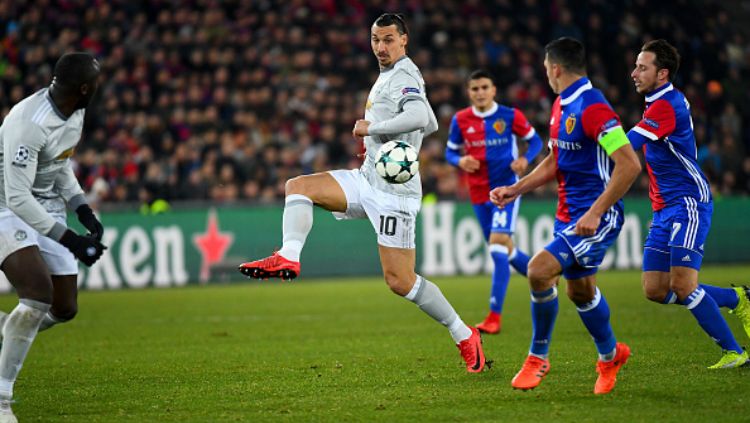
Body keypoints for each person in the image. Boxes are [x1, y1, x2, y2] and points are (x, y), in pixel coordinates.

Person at [239, 14, 486, 373]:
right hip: (369, 177)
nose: (380, 48)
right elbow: (430, 121)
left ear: (405, 40)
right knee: (299, 186)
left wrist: (375, 128)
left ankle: (464, 335)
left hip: (395, 193)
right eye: (375, 40)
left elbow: (418, 115)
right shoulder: (391, 75)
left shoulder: (403, 74)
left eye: (387, 40)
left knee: (400, 281)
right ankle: (288, 255)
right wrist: (384, 143)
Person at [490, 37, 641, 394]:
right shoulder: (562, 105)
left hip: (595, 217)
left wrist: (596, 211)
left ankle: (537, 357)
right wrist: (516, 189)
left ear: (555, 68)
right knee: (581, 291)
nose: (545, 74)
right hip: (568, 214)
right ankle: (610, 356)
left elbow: (629, 165)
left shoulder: (594, 108)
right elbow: (556, 160)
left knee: (539, 270)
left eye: (545, 69)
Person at [626, 39, 750, 369]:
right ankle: (737, 298)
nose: (634, 72)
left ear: (662, 73)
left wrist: (590, 138)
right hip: (663, 208)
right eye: (636, 65)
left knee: (682, 285)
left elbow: (629, 144)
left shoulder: (667, 104)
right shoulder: (654, 102)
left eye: (642, 67)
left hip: (687, 202)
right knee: (655, 288)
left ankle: (734, 352)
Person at [0, 52, 107, 422]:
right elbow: (16, 196)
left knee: (64, 308)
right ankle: (1, 401)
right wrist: (69, 239)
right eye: (96, 83)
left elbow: (59, 164)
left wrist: (81, 207)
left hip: (46, 206)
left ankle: (7, 328)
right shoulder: (28, 123)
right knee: (36, 297)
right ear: (83, 88)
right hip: (6, 206)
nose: (99, 88)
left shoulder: (75, 110)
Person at [445, 69, 542, 334]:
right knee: (505, 250)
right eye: (474, 89)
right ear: (469, 92)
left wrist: (525, 159)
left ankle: (493, 317)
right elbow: (450, 152)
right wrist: (460, 161)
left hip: (506, 191)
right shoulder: (461, 120)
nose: (479, 93)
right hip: (478, 193)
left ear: (493, 89)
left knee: (498, 247)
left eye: (484, 87)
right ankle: (546, 275)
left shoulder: (510, 116)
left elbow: (535, 141)